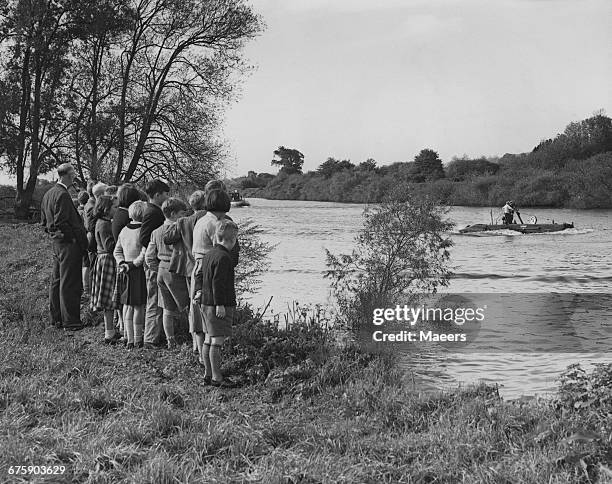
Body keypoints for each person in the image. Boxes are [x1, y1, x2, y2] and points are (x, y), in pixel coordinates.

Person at [40, 163, 88, 331]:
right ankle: (71, 321)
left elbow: (45, 222)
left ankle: (56, 319)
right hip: (67, 244)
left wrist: (55, 236)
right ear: (67, 175)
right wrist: (72, 239)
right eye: (73, 174)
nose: (75, 177)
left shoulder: (48, 194)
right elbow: (61, 222)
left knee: (57, 281)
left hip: (56, 244)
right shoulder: (62, 195)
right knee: (70, 282)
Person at [193, 219, 239, 388]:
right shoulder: (224, 257)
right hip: (218, 305)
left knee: (207, 339)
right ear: (232, 239)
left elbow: (199, 275)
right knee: (217, 342)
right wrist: (220, 304)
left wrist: (198, 291)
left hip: (205, 302)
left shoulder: (209, 254)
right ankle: (217, 378)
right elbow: (218, 283)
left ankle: (207, 374)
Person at [145, 197, 190, 349]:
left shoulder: (156, 232)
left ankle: (171, 340)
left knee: (167, 310)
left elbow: (149, 257)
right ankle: (195, 340)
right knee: (188, 306)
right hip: (175, 270)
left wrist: (157, 269)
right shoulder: (180, 230)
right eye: (182, 214)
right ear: (173, 214)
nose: (184, 216)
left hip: (161, 271)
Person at [140, 179, 170, 347]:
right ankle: (150, 339)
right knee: (154, 301)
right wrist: (156, 249)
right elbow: (144, 237)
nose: (167, 197)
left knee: (156, 300)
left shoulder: (150, 210)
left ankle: (152, 336)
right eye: (165, 194)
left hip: (152, 260)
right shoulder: (154, 213)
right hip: (154, 262)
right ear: (157, 194)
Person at [114, 200, 148, 349]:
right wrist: (134, 264)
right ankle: (138, 338)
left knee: (127, 305)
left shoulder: (124, 230)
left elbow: (117, 250)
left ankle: (129, 338)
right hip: (137, 270)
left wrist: (122, 263)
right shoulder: (143, 230)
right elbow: (144, 252)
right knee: (138, 306)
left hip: (124, 270)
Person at [90, 195, 120, 344]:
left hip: (104, 259)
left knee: (109, 298)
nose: (117, 210)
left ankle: (111, 330)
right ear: (106, 209)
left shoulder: (102, 222)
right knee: (109, 299)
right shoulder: (104, 225)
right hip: (107, 259)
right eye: (114, 207)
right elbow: (109, 246)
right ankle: (109, 333)